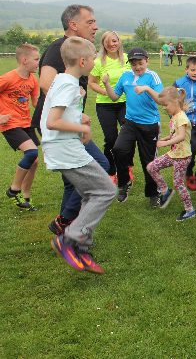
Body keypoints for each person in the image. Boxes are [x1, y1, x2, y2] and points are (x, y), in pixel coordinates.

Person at [32, 4, 110, 236]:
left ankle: (66, 227)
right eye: (90, 22)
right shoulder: (60, 48)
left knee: (74, 180)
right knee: (100, 167)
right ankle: (68, 224)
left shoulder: (75, 51)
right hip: (59, 126)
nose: (95, 27)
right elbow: (46, 83)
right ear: (73, 25)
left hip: (66, 124)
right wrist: (73, 109)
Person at [42, 37, 117, 273]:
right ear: (83, 61)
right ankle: (69, 239)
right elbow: (53, 121)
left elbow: (58, 111)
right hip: (66, 150)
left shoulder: (63, 80)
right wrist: (82, 128)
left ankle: (81, 248)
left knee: (90, 194)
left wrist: (79, 116)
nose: (95, 62)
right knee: (106, 190)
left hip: (62, 148)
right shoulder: (68, 84)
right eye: (93, 58)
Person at [102, 48, 163, 206]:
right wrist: (106, 84)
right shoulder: (125, 76)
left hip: (149, 124)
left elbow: (161, 100)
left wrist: (147, 88)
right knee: (118, 150)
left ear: (147, 61)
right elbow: (114, 97)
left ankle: (153, 194)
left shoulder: (152, 76)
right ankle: (124, 183)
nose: (137, 67)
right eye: (134, 64)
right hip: (130, 122)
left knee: (148, 161)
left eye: (140, 63)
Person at [145, 87, 196, 221]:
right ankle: (165, 191)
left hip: (182, 156)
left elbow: (181, 136)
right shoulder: (175, 116)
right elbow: (174, 134)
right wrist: (165, 138)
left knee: (178, 183)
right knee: (151, 167)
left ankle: (190, 210)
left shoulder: (182, 118)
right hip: (174, 153)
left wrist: (165, 144)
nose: (164, 108)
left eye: (166, 105)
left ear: (175, 102)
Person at [0, 43, 41, 210]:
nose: (38, 63)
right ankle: (13, 189)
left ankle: (25, 197)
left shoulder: (33, 80)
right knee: (31, 152)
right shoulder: (8, 78)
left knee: (34, 161)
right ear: (24, 60)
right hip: (10, 124)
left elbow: (36, 103)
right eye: (36, 59)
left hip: (26, 123)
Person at [88, 31, 132, 182]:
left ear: (119, 41)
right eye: (108, 42)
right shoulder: (98, 62)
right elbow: (92, 83)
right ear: (103, 44)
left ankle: (127, 167)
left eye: (114, 41)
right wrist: (107, 92)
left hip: (125, 103)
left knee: (128, 136)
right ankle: (111, 171)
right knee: (111, 138)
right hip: (105, 105)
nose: (112, 44)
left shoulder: (127, 59)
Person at [173, 56, 196, 192]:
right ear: (186, 69)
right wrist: (176, 118)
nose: (195, 73)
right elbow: (172, 101)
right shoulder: (179, 83)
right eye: (192, 70)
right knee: (191, 149)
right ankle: (188, 174)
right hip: (186, 123)